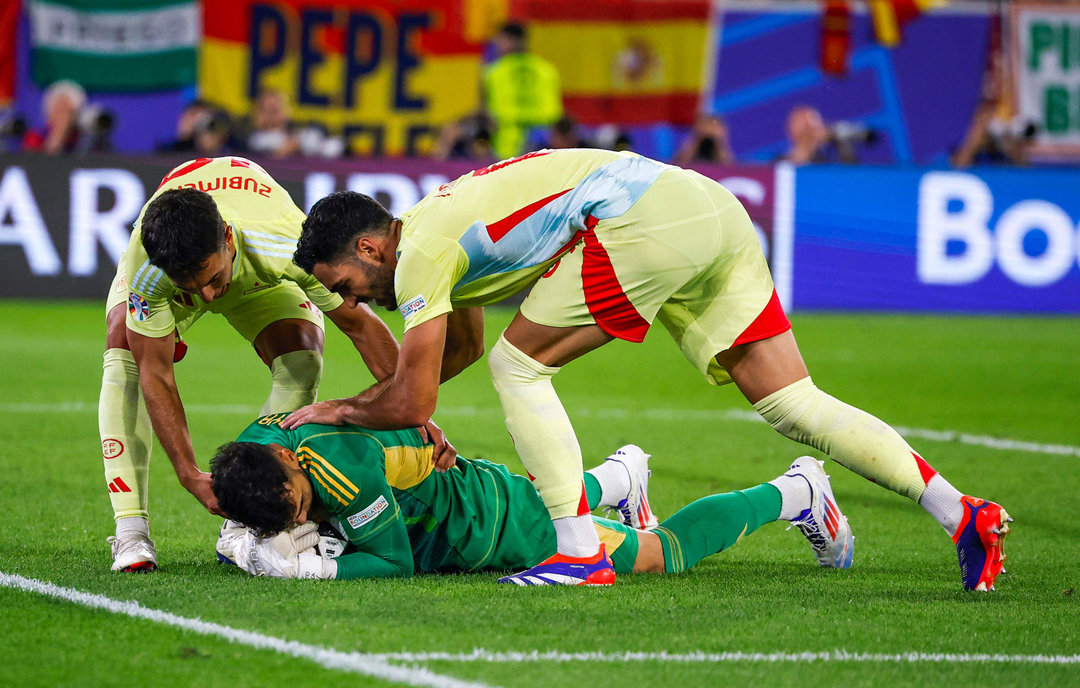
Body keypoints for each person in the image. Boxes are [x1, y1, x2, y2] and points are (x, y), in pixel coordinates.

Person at [284, 148, 1011, 591]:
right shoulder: (437, 237)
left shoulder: (419, 255)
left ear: (371, 251)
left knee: (521, 367)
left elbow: (416, 396)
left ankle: (577, 553)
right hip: (708, 208)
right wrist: (397, 404)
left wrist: (338, 410)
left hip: (645, 219)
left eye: (344, 283)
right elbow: (453, 360)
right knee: (792, 403)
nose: (351, 301)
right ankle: (961, 513)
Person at [99, 155, 452, 573]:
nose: (209, 297)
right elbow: (158, 375)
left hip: (258, 276)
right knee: (126, 358)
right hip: (181, 276)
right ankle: (131, 530)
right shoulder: (150, 268)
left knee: (302, 357)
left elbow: (360, 326)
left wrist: (413, 409)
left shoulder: (285, 247)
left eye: (213, 279)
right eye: (192, 287)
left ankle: (247, 514)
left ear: (228, 240)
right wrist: (188, 473)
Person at [210, 415, 854, 582]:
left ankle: (796, 491)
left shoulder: (341, 473)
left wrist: (318, 563)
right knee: (558, 499)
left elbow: (395, 560)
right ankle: (624, 477)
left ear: (292, 463)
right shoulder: (258, 450)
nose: (299, 515)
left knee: (663, 555)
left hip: (495, 526)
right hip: (466, 492)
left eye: (298, 502)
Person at [483, 23, 563, 159]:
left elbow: (487, 112)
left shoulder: (494, 72)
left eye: (500, 40)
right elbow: (555, 111)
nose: (497, 45)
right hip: (544, 145)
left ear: (511, 40)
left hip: (507, 145)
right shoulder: (547, 70)